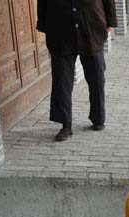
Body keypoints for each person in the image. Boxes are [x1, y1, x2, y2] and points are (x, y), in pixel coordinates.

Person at [36, 0, 116, 141]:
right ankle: (65, 124)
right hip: (61, 32)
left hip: (91, 29)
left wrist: (111, 22)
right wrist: (43, 23)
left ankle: (98, 118)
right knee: (62, 82)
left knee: (96, 79)